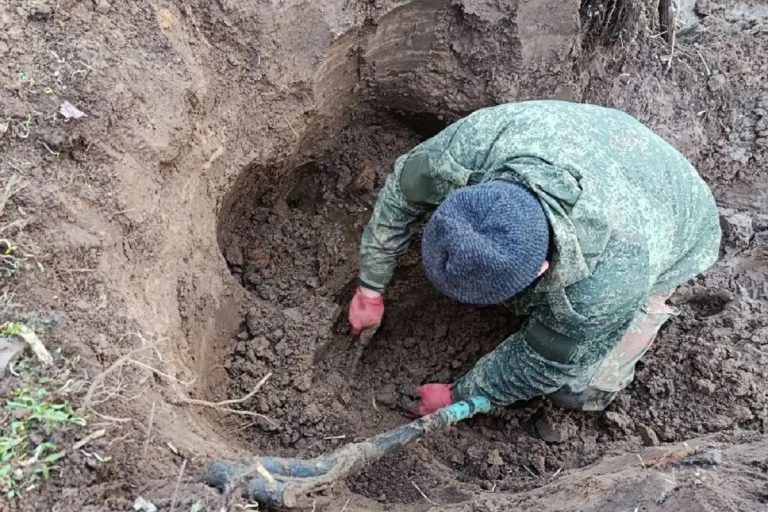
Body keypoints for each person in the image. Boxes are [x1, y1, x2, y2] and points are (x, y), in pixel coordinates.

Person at [347, 101, 721, 416]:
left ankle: (652, 306)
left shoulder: (606, 282)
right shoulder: (472, 148)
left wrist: (458, 395)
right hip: (598, 136)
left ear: (543, 268)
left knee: (578, 391)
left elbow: (543, 366)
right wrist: (370, 287)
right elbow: (402, 191)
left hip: (676, 213)